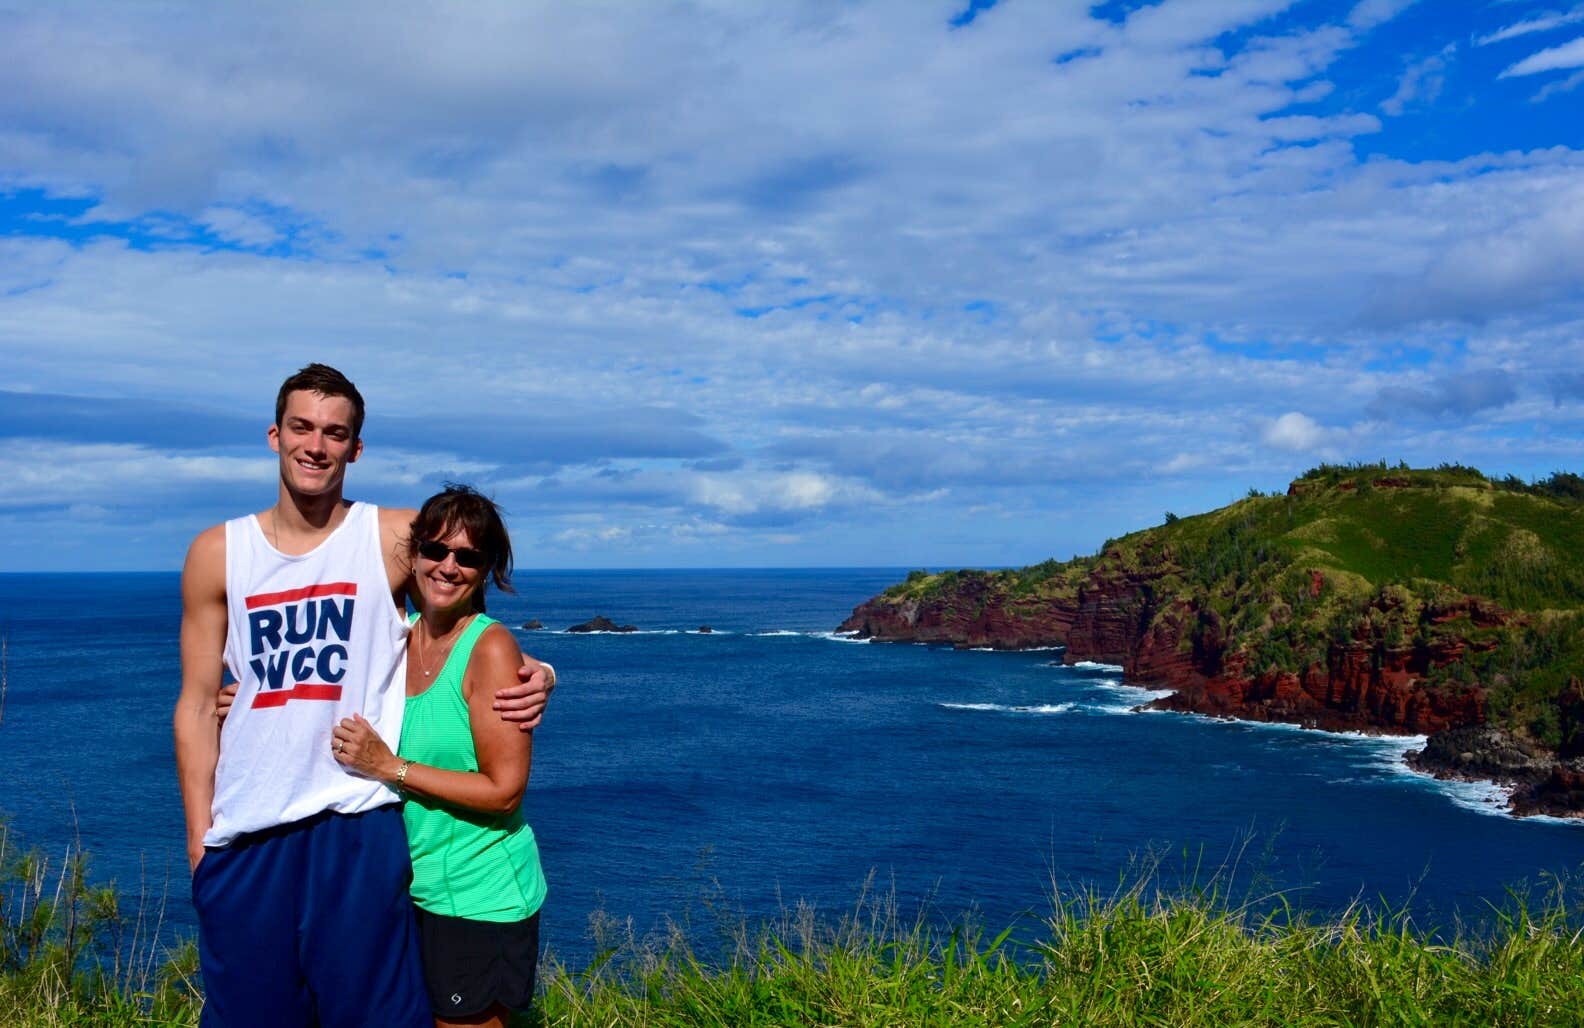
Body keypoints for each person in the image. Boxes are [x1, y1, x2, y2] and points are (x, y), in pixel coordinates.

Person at [173, 364, 555, 1028]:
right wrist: (199, 841)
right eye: (302, 427)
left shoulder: (394, 538)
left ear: (356, 448)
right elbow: (196, 703)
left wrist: (537, 669)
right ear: (274, 435)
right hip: (248, 832)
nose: (315, 446)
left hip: (357, 823)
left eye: (335, 433)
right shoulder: (217, 552)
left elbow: (460, 609)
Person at [333, 485, 546, 1028]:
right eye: (435, 550)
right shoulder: (402, 639)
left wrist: (389, 767)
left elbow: (504, 791)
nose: (448, 566)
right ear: (415, 555)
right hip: (423, 889)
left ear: (487, 570)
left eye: (468, 556)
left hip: (481, 896)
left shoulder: (489, 647)